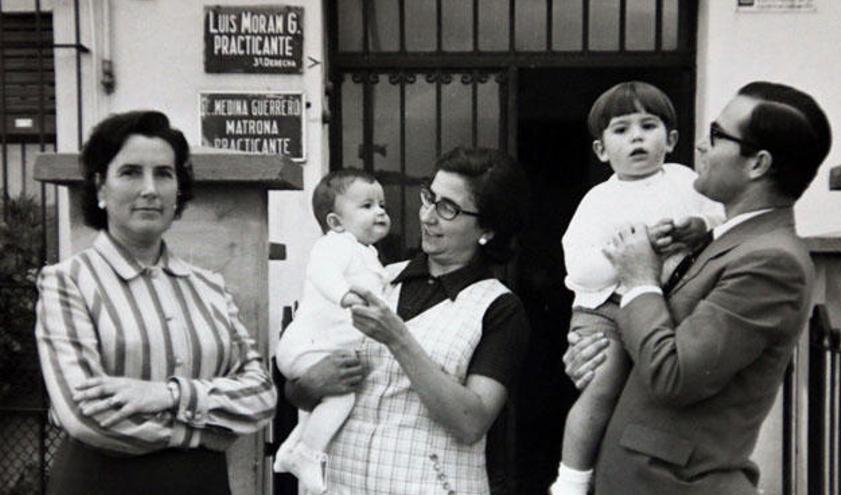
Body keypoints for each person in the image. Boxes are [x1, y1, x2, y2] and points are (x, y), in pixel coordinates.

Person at [564, 81, 832, 494]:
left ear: (757, 164)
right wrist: (594, 355)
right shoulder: (723, 241)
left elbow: (675, 375)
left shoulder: (771, 261)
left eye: (717, 135)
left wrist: (638, 280)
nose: (701, 146)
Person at [34, 110, 277, 495]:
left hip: (202, 486)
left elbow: (261, 395)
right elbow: (85, 416)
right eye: (130, 172)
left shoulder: (209, 288)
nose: (150, 189)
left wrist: (170, 395)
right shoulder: (67, 283)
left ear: (178, 188)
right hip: (104, 483)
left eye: (164, 174)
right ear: (100, 186)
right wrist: (207, 433)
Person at [284, 147, 531, 494]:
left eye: (448, 208)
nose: (428, 216)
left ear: (487, 228)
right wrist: (306, 385)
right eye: (429, 197)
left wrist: (398, 340)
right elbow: (301, 382)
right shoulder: (374, 278)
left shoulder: (499, 309)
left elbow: (470, 422)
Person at [551, 81, 724, 495]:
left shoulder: (686, 181)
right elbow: (578, 268)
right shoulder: (598, 200)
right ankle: (571, 481)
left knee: (660, 391)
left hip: (666, 306)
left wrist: (698, 229)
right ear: (601, 150)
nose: (637, 138)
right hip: (605, 308)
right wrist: (628, 253)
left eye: (648, 126)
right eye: (622, 130)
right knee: (602, 385)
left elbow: (721, 219)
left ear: (672, 139)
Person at [273, 169, 391, 493]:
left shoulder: (366, 253)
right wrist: (344, 295)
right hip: (307, 346)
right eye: (367, 206)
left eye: (382, 204)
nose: (380, 211)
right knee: (341, 398)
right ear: (336, 222)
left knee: (323, 402)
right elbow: (321, 272)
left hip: (319, 347)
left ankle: (290, 449)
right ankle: (308, 455)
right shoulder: (336, 244)